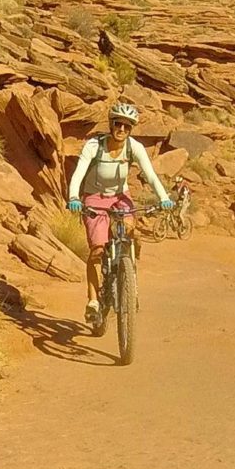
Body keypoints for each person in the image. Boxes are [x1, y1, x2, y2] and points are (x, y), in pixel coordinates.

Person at [65, 101, 172, 332]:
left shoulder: (134, 147)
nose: (121, 129)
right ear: (111, 124)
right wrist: (74, 197)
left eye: (127, 126)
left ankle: (128, 276)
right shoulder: (94, 146)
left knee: (129, 228)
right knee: (97, 250)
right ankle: (94, 300)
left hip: (120, 197)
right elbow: (79, 172)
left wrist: (163, 197)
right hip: (94, 197)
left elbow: (151, 176)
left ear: (131, 129)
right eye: (118, 124)